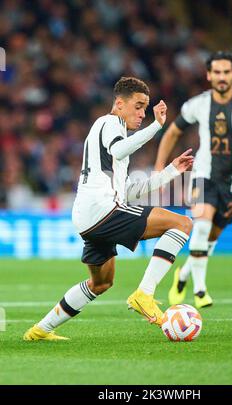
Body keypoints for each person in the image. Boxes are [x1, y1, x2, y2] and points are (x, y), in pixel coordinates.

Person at [23, 77, 194, 341]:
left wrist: (172, 170)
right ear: (119, 104)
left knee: (101, 283)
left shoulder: (110, 142)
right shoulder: (109, 123)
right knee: (182, 224)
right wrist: (156, 127)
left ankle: (39, 330)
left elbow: (130, 192)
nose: (141, 113)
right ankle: (144, 294)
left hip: (89, 216)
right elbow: (120, 148)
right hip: (101, 209)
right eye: (138, 106)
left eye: (145, 108)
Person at [154, 51, 232, 309]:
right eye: (217, 72)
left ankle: (184, 274)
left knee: (211, 237)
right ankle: (200, 291)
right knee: (200, 227)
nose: (222, 77)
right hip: (204, 175)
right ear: (209, 75)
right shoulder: (197, 104)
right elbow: (173, 132)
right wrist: (159, 167)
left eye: (226, 72)